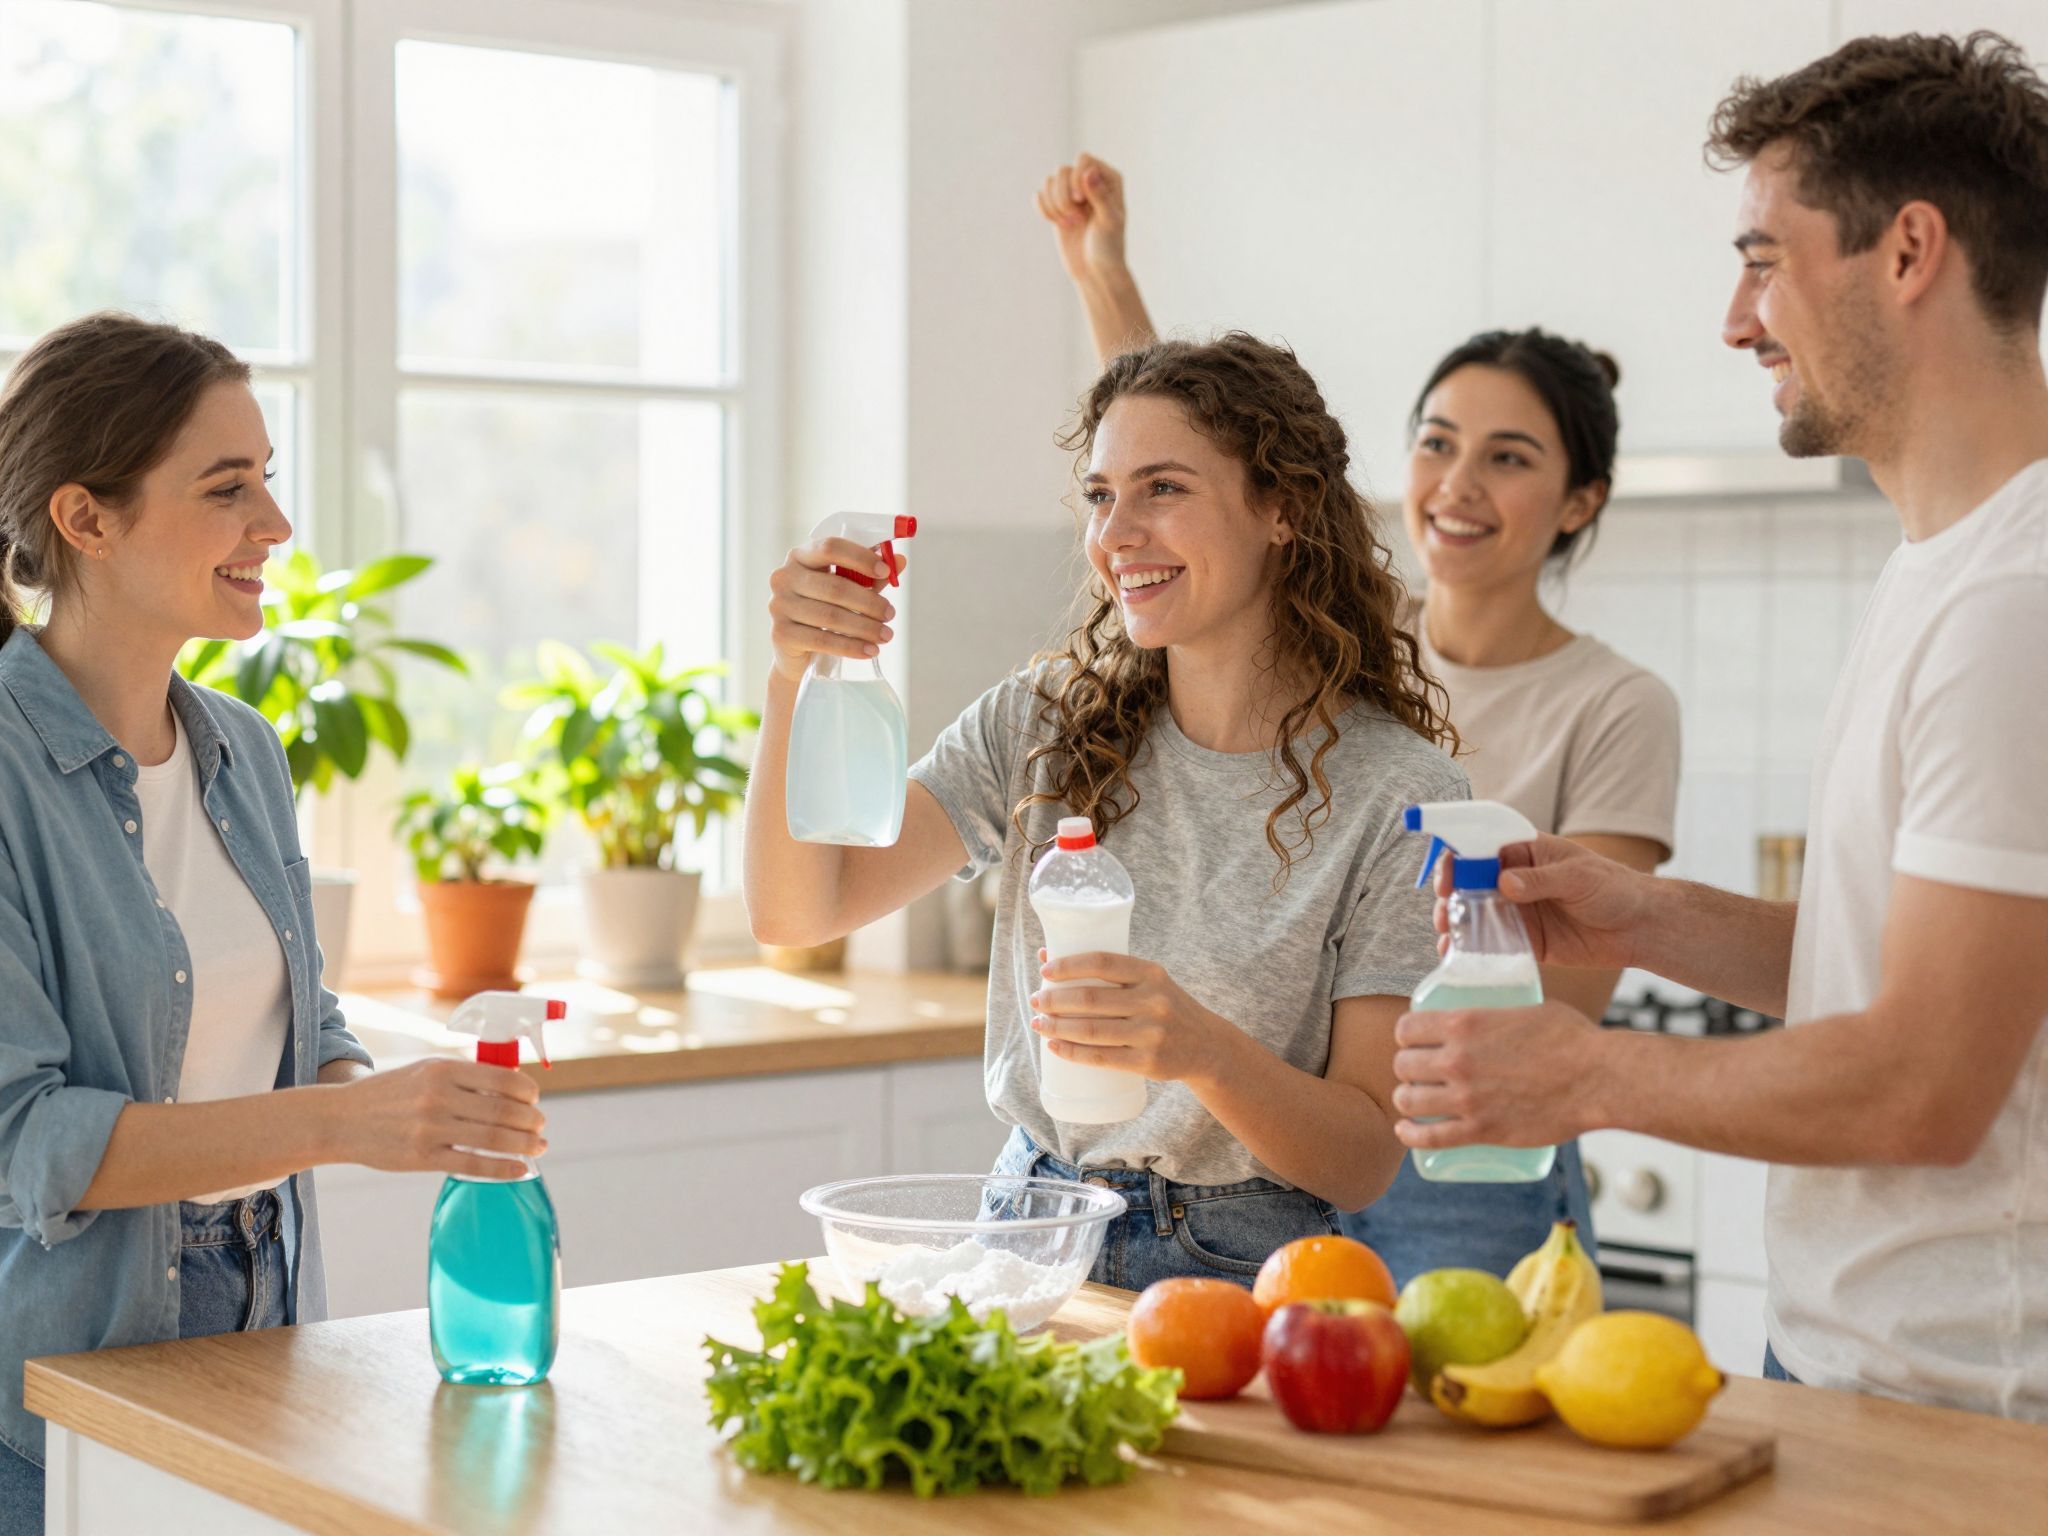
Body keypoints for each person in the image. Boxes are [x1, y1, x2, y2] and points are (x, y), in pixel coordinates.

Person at [1390, 31, 2048, 1420]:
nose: (1738, 321)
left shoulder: (2017, 606)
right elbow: (1890, 972)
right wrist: (1647, 921)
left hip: (1976, 1397)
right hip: (1868, 1357)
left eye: (1763, 258)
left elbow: (1928, 1079)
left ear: (1909, 251)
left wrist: (1588, 1074)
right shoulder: (1944, 567)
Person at [1036, 160, 1680, 1282]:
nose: (1454, 483)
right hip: (1278, 1147)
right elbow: (1188, 461)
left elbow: (1560, 998)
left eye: (1508, 458)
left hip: (1461, 1169)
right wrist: (1105, 277)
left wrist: (1344, 1065)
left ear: (1579, 502)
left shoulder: (1616, 706)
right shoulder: (1352, 645)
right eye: (1435, 443)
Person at [746, 333, 1466, 1291]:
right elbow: (799, 911)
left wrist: (1198, 1048)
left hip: (1249, 1270)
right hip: (1031, 1232)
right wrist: (795, 672)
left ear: (1281, 508)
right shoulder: (1044, 722)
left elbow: (1363, 1154)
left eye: (1162, 488)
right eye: (1099, 495)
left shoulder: (1401, 793)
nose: (1115, 533)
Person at [0, 313, 550, 1530]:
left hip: (269, 1313)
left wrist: (395, 1100)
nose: (276, 527)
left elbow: (290, 1010)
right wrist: (343, 1121)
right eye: (226, 487)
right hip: (60, 1375)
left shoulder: (241, 751)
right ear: (86, 519)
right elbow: (24, 1140)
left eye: (268, 480)